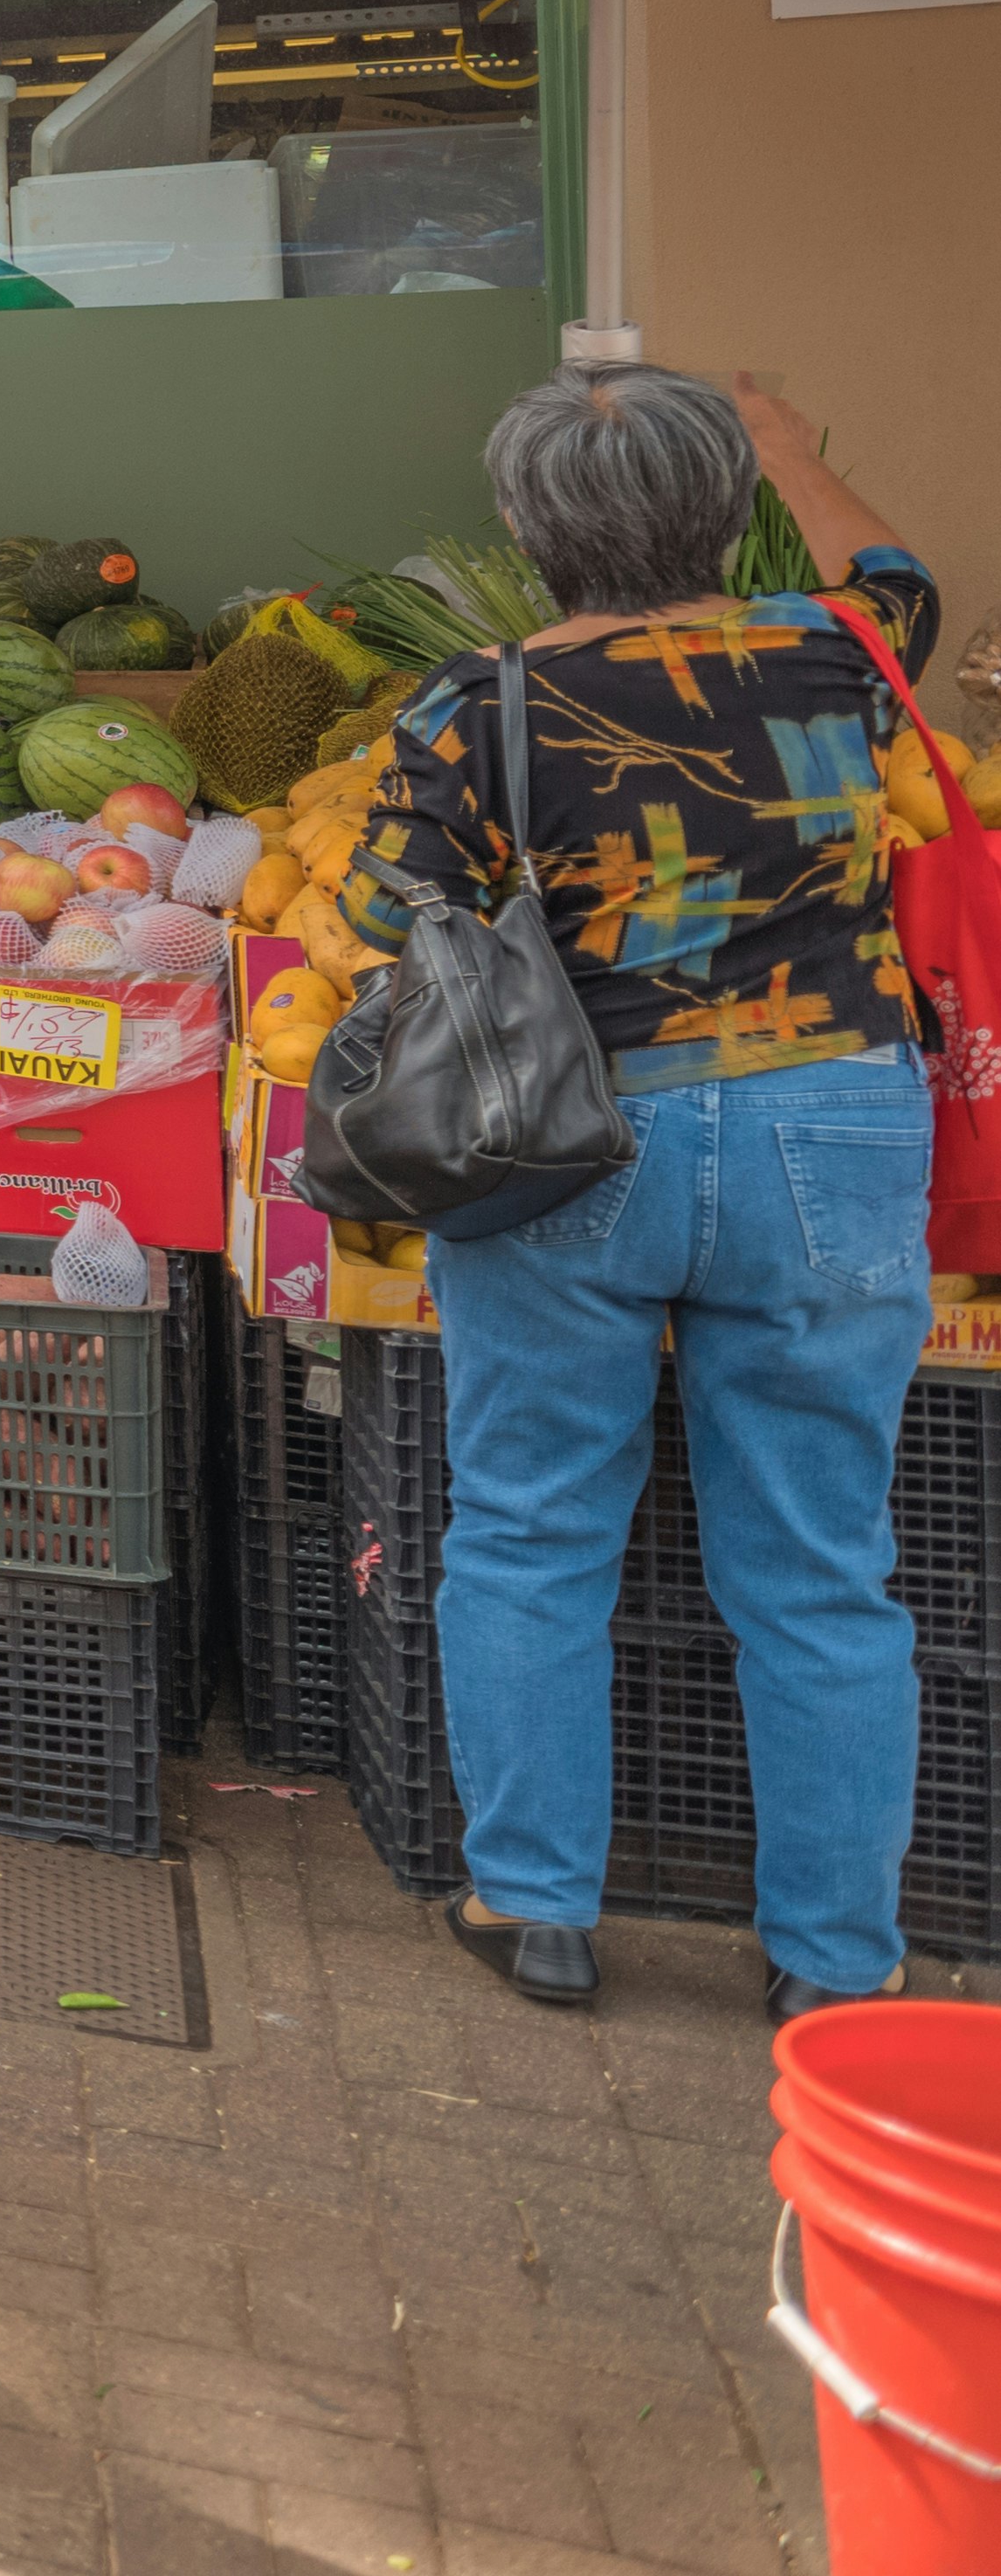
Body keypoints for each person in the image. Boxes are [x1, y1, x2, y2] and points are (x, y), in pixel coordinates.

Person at [362, 362, 947, 2024]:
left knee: (534, 1524)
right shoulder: (835, 650)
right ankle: (836, 1961)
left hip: (573, 1138)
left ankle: (534, 1902)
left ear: (528, 530)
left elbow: (381, 910)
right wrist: (796, 448)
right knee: (824, 1562)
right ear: (724, 509)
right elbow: (898, 575)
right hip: (831, 1129)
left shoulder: (480, 703)